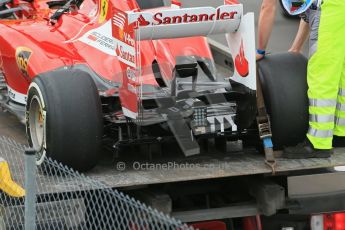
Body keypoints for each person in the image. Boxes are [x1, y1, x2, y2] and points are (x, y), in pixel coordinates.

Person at [282, 0, 345, 158]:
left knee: (322, 77)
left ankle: (319, 142)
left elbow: (267, 8)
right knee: (342, 74)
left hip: (331, 10)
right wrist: (296, 47)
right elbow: (308, 12)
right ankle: (340, 134)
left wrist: (260, 50)